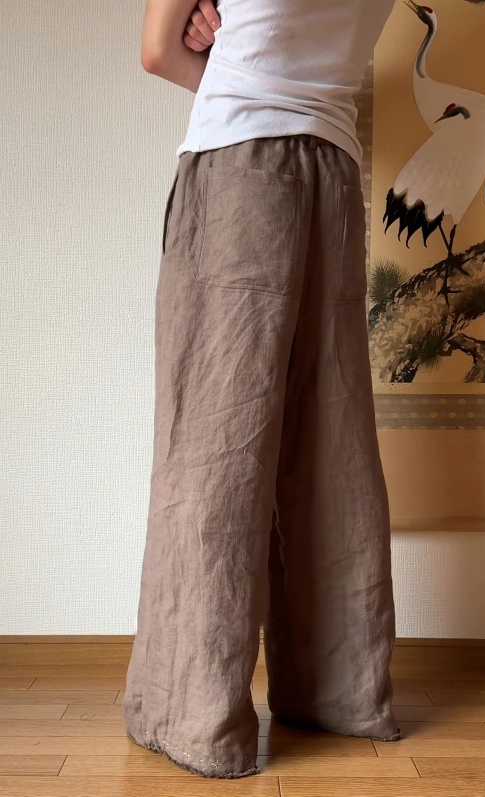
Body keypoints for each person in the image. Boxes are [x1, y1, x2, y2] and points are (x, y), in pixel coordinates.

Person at [123, 0, 400, 780]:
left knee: (212, 447)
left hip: (239, 167)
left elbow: (158, 51)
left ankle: (194, 712)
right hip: (335, 175)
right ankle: (341, 692)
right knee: (330, 444)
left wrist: (230, 48)